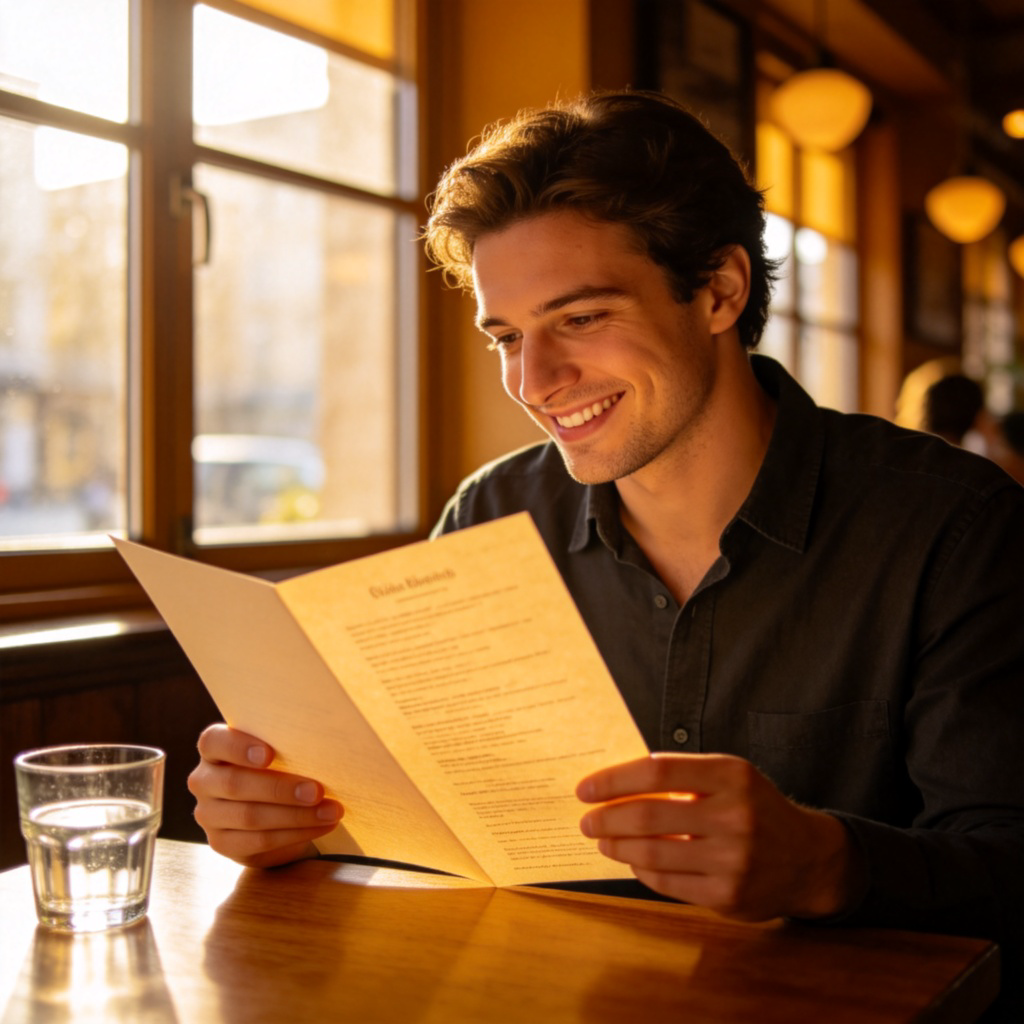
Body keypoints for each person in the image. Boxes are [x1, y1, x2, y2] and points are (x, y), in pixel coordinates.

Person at [189, 91, 1023, 1016]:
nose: (533, 382)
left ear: (719, 291)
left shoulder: (954, 527)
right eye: (507, 336)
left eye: (579, 319)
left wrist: (829, 863)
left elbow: (1008, 857)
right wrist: (297, 822)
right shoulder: (492, 516)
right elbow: (430, 831)